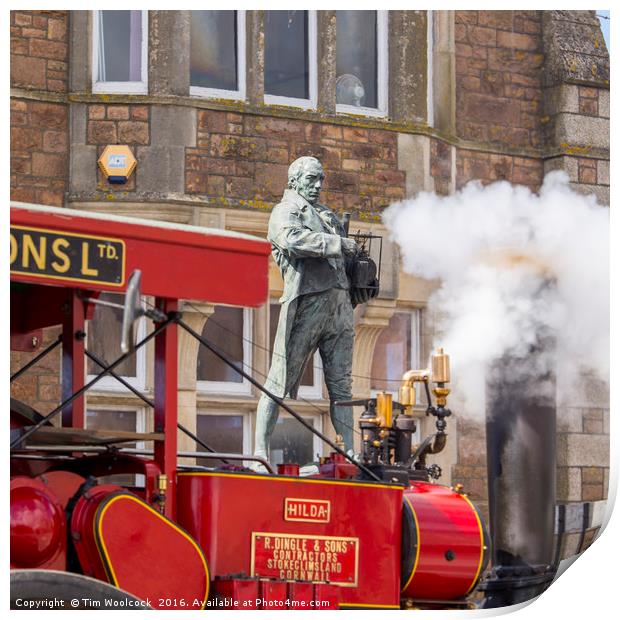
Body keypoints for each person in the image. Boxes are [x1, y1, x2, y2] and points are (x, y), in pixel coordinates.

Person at [254, 156, 362, 464]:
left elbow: (345, 258)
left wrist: (362, 273)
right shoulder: (285, 211)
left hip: (340, 307)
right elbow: (291, 239)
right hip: (309, 302)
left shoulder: (327, 214)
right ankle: (260, 451)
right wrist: (338, 243)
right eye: (311, 179)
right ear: (294, 181)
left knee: (342, 385)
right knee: (278, 379)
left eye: (320, 180)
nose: (317, 186)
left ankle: (349, 451)